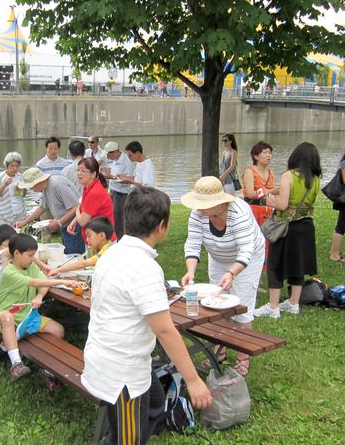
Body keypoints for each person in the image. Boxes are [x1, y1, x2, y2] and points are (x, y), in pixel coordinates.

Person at [82, 186, 212, 445]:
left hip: (105, 356)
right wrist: (194, 380)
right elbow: (165, 330)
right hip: (122, 373)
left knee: (155, 402)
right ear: (162, 225)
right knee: (130, 440)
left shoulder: (111, 253)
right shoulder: (144, 267)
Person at [181, 176, 265, 376]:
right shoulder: (198, 214)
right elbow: (193, 243)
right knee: (216, 305)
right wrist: (190, 271)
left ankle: (243, 356)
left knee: (242, 305)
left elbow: (246, 250)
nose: (199, 208)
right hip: (218, 257)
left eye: (203, 204)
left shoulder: (239, 212)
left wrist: (232, 272)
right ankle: (219, 350)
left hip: (248, 259)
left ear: (218, 203)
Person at [0, 233, 79, 380]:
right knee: (8, 318)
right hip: (3, 315)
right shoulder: (9, 271)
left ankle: (8, 346)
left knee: (58, 330)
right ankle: (16, 364)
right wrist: (63, 282)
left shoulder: (30, 266)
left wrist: (39, 296)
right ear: (17, 254)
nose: (33, 260)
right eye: (30, 255)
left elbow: (43, 282)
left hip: (27, 316)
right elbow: (34, 283)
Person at [253, 142, 322, 319]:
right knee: (297, 266)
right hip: (306, 226)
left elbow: (282, 204)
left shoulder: (288, 176)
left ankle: (273, 306)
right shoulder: (315, 179)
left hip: (286, 228)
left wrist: (266, 200)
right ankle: (293, 303)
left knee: (275, 264)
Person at [15, 168, 85, 255]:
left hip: (75, 225)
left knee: (74, 255)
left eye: (31, 187)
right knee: (68, 253)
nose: (32, 190)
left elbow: (76, 207)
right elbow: (42, 207)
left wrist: (59, 222)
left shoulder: (57, 184)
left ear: (38, 182)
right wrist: (24, 222)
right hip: (66, 226)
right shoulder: (46, 188)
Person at [66, 157, 116, 243]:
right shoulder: (88, 187)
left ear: (93, 174)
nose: (79, 173)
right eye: (78, 170)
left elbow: (83, 222)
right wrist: (74, 221)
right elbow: (84, 207)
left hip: (102, 241)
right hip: (94, 238)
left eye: (83, 171)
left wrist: (77, 210)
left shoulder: (94, 192)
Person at [49, 216, 114, 276]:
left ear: (102, 236)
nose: (87, 239)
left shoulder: (108, 250)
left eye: (89, 236)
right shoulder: (97, 247)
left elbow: (84, 263)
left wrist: (58, 269)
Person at [102, 141, 134, 240]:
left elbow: (129, 180)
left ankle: (120, 241)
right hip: (112, 192)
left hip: (121, 195)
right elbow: (114, 174)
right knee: (110, 217)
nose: (107, 157)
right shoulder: (114, 160)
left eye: (108, 154)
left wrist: (111, 177)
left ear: (115, 152)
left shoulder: (126, 162)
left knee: (119, 220)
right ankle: (114, 238)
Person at [242, 141, 277, 227]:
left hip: (266, 209)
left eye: (270, 153)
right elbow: (250, 194)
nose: (268, 155)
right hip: (252, 209)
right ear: (256, 156)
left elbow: (275, 195)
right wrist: (270, 191)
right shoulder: (249, 171)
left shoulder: (271, 173)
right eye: (265, 153)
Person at [0, 152, 25, 227]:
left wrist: (23, 187)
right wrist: (4, 184)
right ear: (7, 165)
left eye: (17, 166)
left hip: (19, 211)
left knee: (18, 235)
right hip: (5, 212)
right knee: (6, 235)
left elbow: (23, 195)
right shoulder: (0, 177)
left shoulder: (20, 177)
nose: (15, 168)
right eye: (12, 166)